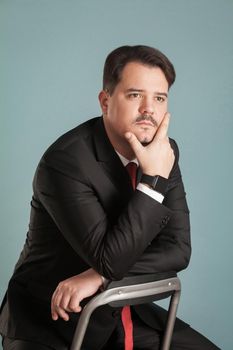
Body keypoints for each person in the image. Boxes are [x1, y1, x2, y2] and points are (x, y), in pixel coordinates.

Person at [0, 45, 219, 350]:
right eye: (135, 95)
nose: (149, 109)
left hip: (119, 309)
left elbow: (178, 250)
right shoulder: (65, 162)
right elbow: (111, 261)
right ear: (105, 101)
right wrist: (153, 181)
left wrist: (96, 277)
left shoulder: (165, 153)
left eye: (159, 98)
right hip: (51, 322)